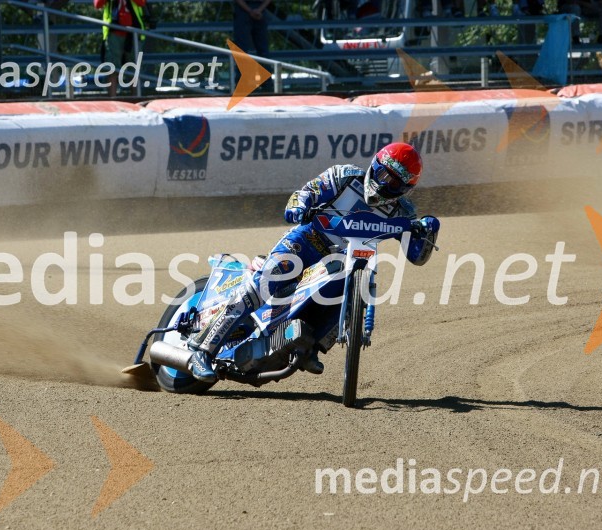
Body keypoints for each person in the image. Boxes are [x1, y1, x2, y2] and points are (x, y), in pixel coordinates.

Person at [186, 143, 439, 383]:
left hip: (343, 259)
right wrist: (301, 206)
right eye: (384, 175)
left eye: (395, 183)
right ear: (375, 165)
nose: (386, 184)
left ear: (406, 188)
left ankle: (310, 347)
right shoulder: (344, 176)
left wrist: (426, 230)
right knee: (264, 282)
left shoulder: (404, 212)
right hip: (305, 241)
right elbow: (304, 193)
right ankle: (202, 350)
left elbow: (417, 256)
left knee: (350, 294)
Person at [93, 0, 147, 96]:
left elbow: (142, 2)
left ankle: (136, 100)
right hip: (113, 33)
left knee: (133, 70)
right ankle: (112, 102)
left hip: (134, 32)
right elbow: (97, 4)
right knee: (112, 69)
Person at [233, 0, 272, 86]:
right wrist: (258, 10)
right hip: (256, 9)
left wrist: (253, 10)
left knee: (260, 48)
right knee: (261, 49)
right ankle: (266, 82)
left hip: (248, 9)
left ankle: (243, 81)